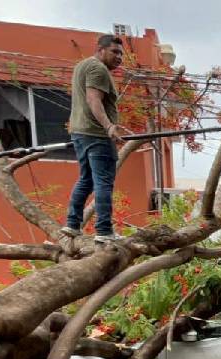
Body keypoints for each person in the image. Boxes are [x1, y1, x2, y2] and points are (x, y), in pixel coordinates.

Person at [62, 34, 132, 243]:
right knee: (103, 182)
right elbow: (94, 99)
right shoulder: (98, 69)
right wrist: (109, 126)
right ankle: (104, 230)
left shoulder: (82, 66)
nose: (119, 57)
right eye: (114, 52)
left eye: (121, 54)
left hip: (80, 132)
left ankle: (72, 225)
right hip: (96, 134)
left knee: (87, 179)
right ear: (100, 50)